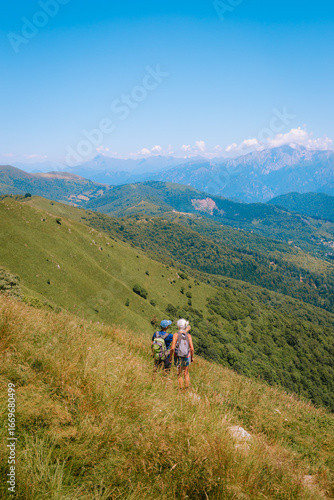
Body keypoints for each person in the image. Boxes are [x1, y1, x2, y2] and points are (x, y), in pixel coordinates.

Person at [170, 319, 194, 389]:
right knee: (186, 373)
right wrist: (192, 357)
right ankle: (187, 387)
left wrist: (170, 357)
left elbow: (172, 348)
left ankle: (181, 388)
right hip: (186, 356)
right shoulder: (188, 335)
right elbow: (192, 348)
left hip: (178, 356)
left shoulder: (176, 335)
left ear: (178, 326)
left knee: (179, 373)